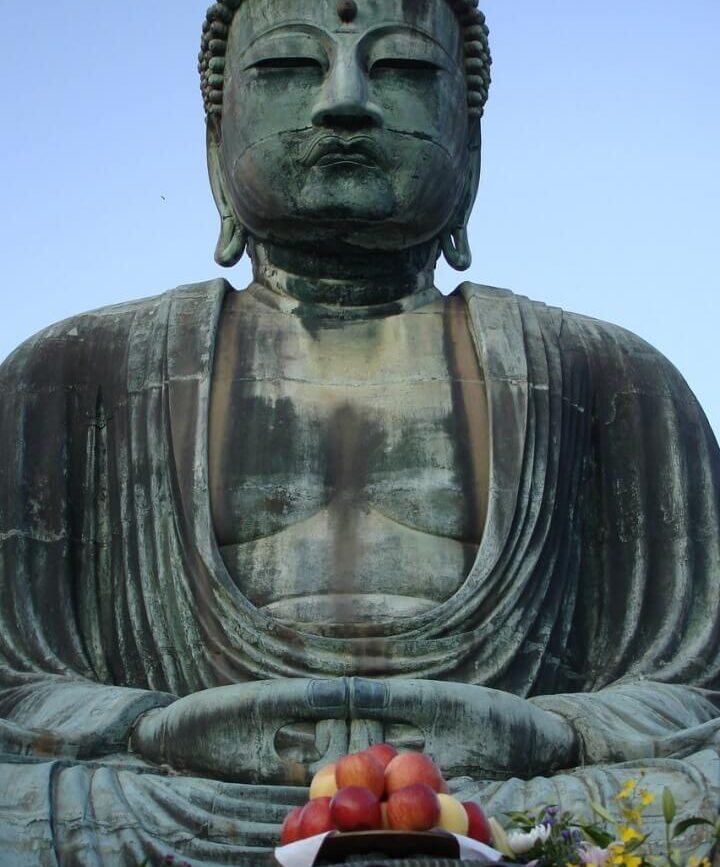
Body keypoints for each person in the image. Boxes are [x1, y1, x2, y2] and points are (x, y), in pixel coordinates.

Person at [1, 0, 719, 863]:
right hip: (177, 796)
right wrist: (166, 730)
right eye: (289, 69)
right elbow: (17, 686)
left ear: (471, 133)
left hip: (509, 788)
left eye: (406, 70)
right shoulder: (73, 375)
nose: (345, 102)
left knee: (690, 797)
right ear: (216, 133)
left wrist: (538, 732)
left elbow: (689, 690)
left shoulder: (608, 377)